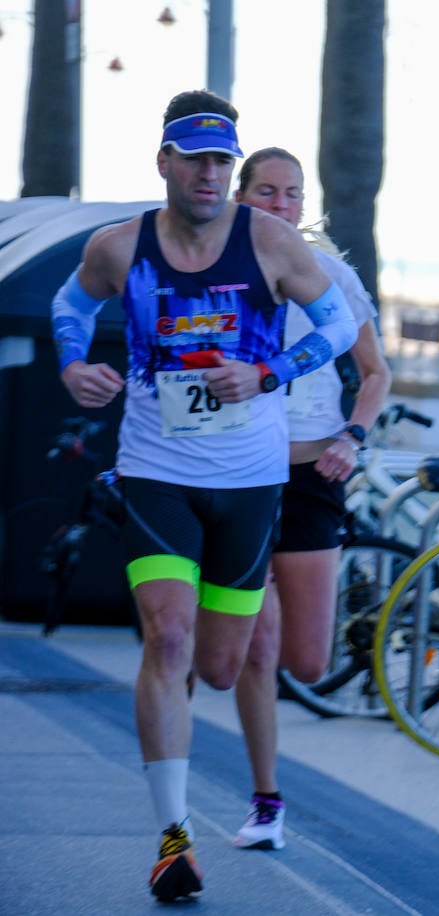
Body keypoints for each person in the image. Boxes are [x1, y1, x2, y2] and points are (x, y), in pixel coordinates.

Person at [49, 90, 357, 902]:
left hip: (250, 483)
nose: (211, 174)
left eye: (223, 159)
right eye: (196, 159)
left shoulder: (273, 244)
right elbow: (69, 304)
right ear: (165, 163)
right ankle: (173, 837)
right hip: (156, 470)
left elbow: (336, 332)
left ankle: (207, 803)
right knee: (170, 638)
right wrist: (72, 363)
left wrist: (267, 372)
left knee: (221, 667)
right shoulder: (121, 248)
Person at [229, 147, 391, 852]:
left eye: (292, 194)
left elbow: (375, 373)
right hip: (237, 472)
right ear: (240, 198)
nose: (281, 206)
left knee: (307, 662)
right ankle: (267, 803)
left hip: (313, 476)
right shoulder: (219, 277)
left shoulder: (333, 276)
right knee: (258, 649)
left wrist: (352, 438)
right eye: (266, 192)